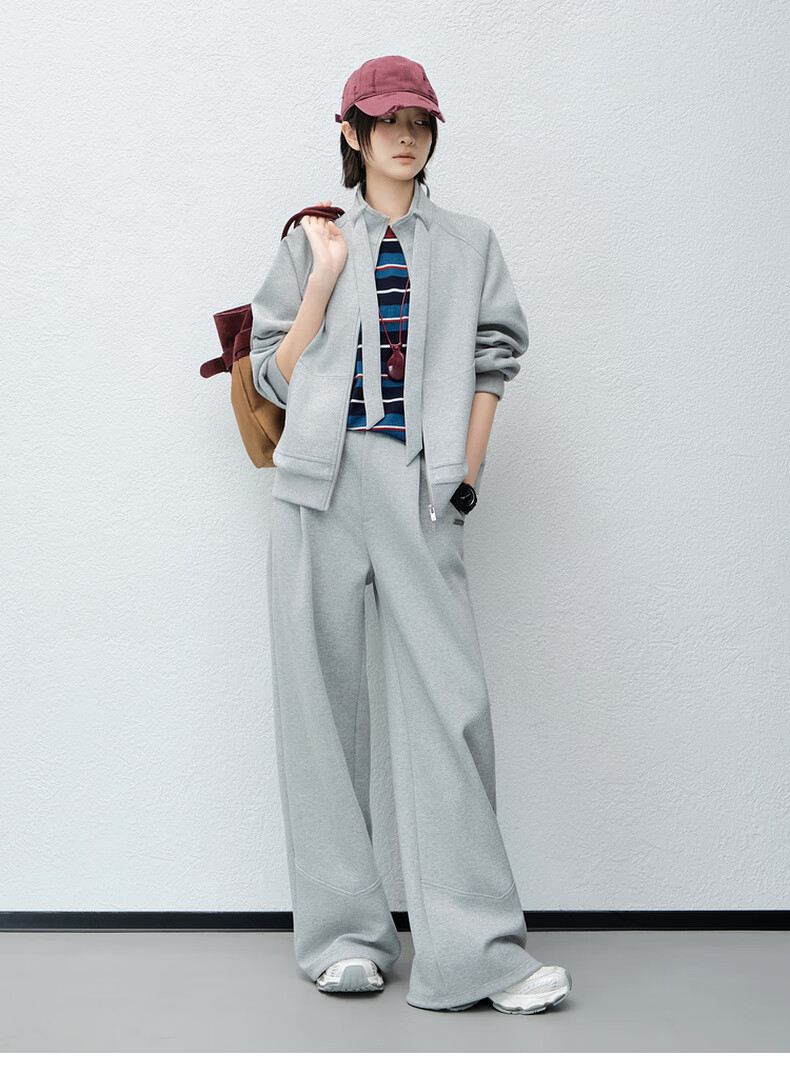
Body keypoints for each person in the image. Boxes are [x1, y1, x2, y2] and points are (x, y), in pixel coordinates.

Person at [250, 54, 572, 1015]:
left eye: (420, 122)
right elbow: (271, 373)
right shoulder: (311, 240)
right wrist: (324, 277)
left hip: (420, 484)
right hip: (315, 483)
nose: (404, 136)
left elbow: (493, 359)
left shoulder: (470, 244)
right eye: (386, 120)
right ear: (351, 132)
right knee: (318, 710)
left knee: (450, 707)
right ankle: (343, 938)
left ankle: (476, 953)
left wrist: (465, 472)